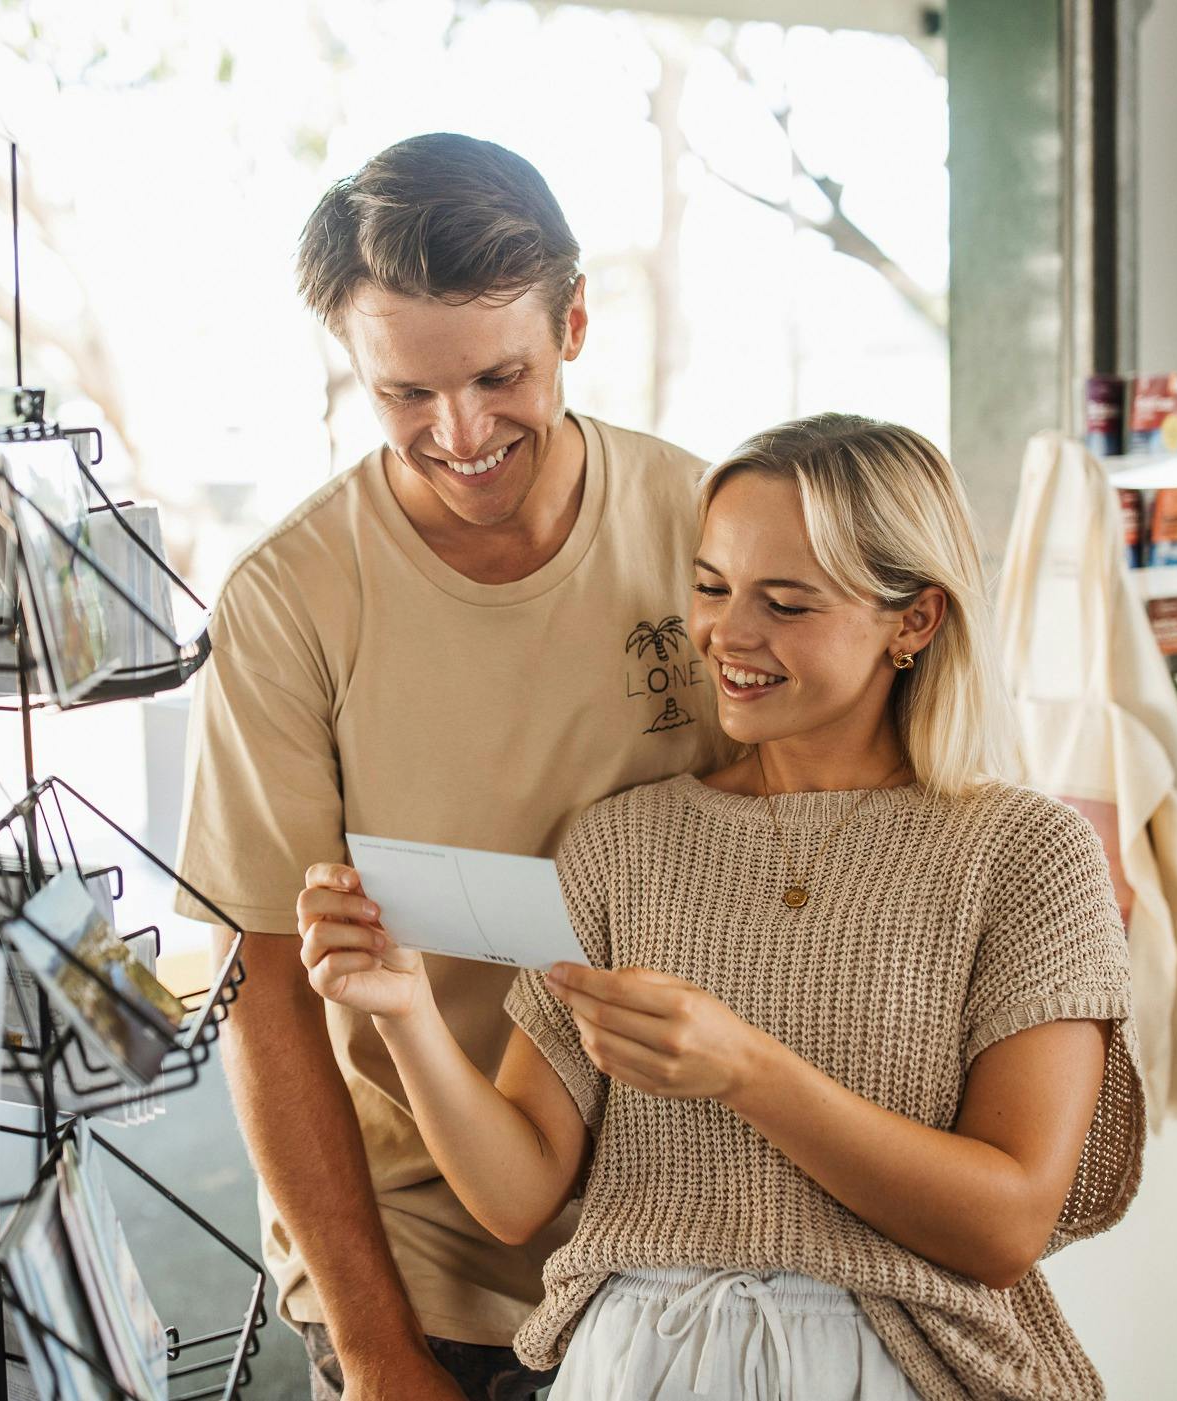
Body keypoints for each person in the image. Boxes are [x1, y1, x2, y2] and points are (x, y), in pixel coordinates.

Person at [296, 414, 1145, 1399]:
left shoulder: (1027, 857)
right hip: (634, 1365)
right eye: (710, 587)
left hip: (896, 1365)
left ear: (914, 621)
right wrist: (404, 1015)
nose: (728, 636)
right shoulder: (621, 845)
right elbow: (517, 1194)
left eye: (786, 603)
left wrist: (749, 1073)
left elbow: (1007, 1228)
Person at [172, 133, 728, 1401]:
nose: (460, 433)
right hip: (425, 1257)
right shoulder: (289, 601)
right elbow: (262, 985)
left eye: (498, 377)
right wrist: (374, 1351)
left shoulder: (706, 527)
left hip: (694, 1231)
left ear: (574, 321)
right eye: (406, 395)